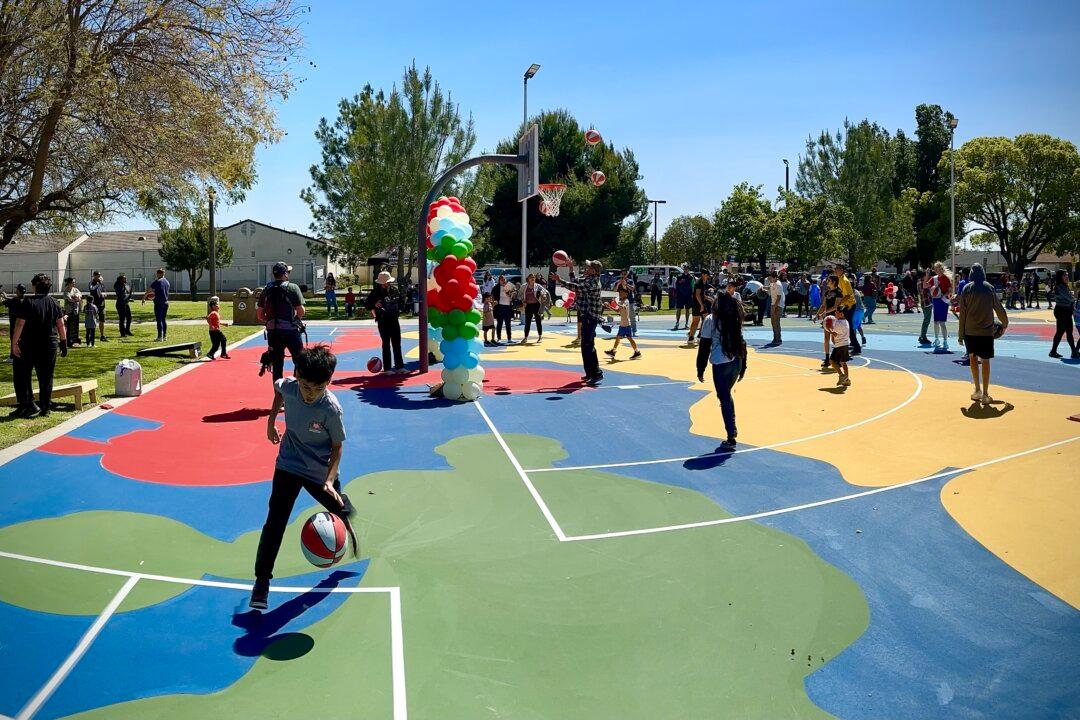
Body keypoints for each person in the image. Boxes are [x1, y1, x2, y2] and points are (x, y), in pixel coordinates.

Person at [249, 344, 357, 610]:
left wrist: (330, 481)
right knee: (275, 522)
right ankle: (262, 581)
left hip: (320, 472)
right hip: (288, 463)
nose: (310, 394)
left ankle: (343, 504)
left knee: (340, 509)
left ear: (328, 383)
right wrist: (271, 420)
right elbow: (278, 390)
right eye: (306, 387)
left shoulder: (331, 409)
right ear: (297, 374)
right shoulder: (290, 386)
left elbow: (337, 447)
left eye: (318, 389)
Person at [695, 291, 748, 450]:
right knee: (727, 395)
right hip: (736, 361)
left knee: (724, 397)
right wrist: (744, 365)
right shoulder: (734, 318)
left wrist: (700, 367)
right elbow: (742, 342)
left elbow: (704, 346)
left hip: (720, 363)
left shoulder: (711, 320)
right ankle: (732, 428)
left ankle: (731, 435)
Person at [10, 274, 67, 418]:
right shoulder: (54, 302)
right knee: (46, 376)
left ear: (34, 286)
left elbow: (19, 324)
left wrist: (14, 343)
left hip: (28, 345)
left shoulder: (27, 302)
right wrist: (64, 342)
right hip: (49, 345)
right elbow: (60, 324)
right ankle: (45, 408)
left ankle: (27, 405)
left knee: (22, 375)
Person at [957, 264, 1009, 403]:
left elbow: (963, 314)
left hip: (970, 331)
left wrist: (961, 335)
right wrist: (1004, 323)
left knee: (973, 358)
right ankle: (986, 394)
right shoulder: (989, 288)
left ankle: (977, 389)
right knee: (985, 360)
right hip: (986, 331)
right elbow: (998, 308)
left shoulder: (967, 289)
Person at [552, 259, 604, 385]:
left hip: (591, 316)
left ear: (594, 270)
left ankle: (597, 373)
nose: (586, 268)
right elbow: (575, 281)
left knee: (588, 344)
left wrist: (559, 280)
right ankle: (590, 373)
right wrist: (570, 268)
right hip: (586, 315)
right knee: (585, 345)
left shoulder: (593, 282)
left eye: (589, 267)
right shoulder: (588, 279)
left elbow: (577, 287)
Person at [257, 262, 306, 382]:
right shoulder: (293, 287)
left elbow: (259, 314)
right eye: (288, 272)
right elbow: (301, 311)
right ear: (285, 274)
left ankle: (279, 396)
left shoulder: (266, 289)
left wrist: (269, 321)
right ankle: (297, 389)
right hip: (291, 331)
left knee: (277, 365)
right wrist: (294, 320)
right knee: (299, 361)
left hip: (273, 332)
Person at [365, 271, 405, 373]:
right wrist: (375, 304)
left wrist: (398, 305)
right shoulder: (375, 292)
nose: (385, 284)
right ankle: (387, 368)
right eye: (383, 283)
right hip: (383, 320)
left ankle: (400, 367)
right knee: (386, 344)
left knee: (397, 344)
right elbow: (367, 305)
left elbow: (401, 302)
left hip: (394, 319)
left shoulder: (394, 291)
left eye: (387, 282)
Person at [604, 286, 641, 360]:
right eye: (620, 293)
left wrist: (615, 302)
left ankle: (636, 352)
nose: (620, 294)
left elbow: (623, 307)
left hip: (626, 324)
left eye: (622, 293)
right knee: (619, 338)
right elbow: (617, 310)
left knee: (629, 338)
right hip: (623, 324)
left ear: (626, 294)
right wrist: (609, 306)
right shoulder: (621, 301)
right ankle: (613, 351)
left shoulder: (626, 301)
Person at [1048, 269, 1078, 359]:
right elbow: (1070, 299)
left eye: (1067, 275)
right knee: (1066, 332)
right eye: (1065, 275)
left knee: (1062, 332)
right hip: (1062, 311)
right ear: (1060, 277)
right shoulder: (1060, 287)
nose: (1067, 277)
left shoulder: (1064, 286)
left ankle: (1054, 351)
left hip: (1065, 311)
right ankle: (1073, 352)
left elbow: (1071, 298)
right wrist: (1075, 297)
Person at [834, 264, 861, 356]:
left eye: (837, 269)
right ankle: (852, 344)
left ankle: (857, 347)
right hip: (846, 305)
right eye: (835, 269)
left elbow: (848, 295)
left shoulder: (845, 280)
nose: (835, 271)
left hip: (850, 305)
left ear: (841, 270)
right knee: (846, 326)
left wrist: (840, 303)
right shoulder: (840, 280)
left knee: (848, 326)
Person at [817, 275, 840, 368]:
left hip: (835, 318)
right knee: (826, 338)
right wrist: (817, 315)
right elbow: (823, 305)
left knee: (834, 339)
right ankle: (827, 359)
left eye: (829, 280)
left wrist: (824, 313)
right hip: (827, 318)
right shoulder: (827, 292)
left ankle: (838, 358)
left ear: (834, 282)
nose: (827, 281)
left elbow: (835, 306)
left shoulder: (838, 292)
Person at [931, 262, 953, 352]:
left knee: (942, 323)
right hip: (936, 301)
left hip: (943, 301)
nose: (937, 270)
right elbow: (925, 285)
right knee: (936, 322)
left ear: (941, 269)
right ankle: (936, 339)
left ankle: (945, 341)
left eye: (938, 268)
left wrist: (944, 295)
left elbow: (950, 291)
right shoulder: (934, 278)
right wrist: (933, 288)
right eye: (935, 269)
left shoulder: (946, 279)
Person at [520, 273, 549, 343]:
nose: (532, 278)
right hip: (528, 305)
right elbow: (520, 294)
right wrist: (523, 300)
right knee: (527, 322)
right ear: (528, 279)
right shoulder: (524, 286)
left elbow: (544, 292)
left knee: (538, 321)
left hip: (537, 305)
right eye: (531, 277)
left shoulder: (538, 286)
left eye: (533, 277)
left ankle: (540, 337)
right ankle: (525, 337)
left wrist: (543, 296)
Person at [143, 268, 171, 342]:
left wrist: (144, 297)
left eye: (157, 274)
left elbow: (149, 290)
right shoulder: (167, 282)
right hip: (166, 302)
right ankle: (164, 336)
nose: (157, 275)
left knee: (159, 320)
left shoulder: (157, 281)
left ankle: (159, 337)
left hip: (159, 303)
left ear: (159, 274)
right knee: (163, 319)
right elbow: (161, 291)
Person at [3, 284, 26, 364]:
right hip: (23, 324)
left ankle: (12, 356)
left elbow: (3, 302)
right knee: (21, 340)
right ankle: (20, 355)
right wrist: (6, 297)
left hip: (14, 324)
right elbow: (12, 300)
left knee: (13, 340)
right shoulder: (25, 301)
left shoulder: (13, 301)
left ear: (18, 291)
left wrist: (3, 297)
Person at [687, 270, 710, 345]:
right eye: (707, 275)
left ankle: (691, 337)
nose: (708, 277)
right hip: (698, 304)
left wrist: (708, 298)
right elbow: (697, 294)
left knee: (698, 320)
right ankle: (698, 336)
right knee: (703, 320)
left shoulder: (702, 282)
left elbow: (701, 294)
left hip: (697, 304)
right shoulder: (699, 282)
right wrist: (702, 305)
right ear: (703, 274)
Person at [492, 274, 517, 344]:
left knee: (508, 324)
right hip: (500, 307)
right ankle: (499, 338)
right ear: (499, 280)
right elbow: (493, 296)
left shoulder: (508, 286)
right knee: (500, 323)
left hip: (508, 307)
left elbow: (514, 296)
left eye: (504, 279)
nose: (503, 281)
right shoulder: (496, 288)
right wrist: (494, 302)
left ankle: (509, 338)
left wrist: (513, 293)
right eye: (502, 280)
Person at [829, 314, 852, 387]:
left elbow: (834, 334)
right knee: (843, 362)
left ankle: (842, 375)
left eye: (837, 312)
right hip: (845, 343)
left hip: (839, 344)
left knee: (832, 361)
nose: (835, 314)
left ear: (841, 314)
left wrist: (829, 329)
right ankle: (847, 380)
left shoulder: (838, 323)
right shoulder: (846, 321)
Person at [613, 270, 637, 337]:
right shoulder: (618, 281)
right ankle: (623, 332)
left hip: (630, 301)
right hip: (622, 301)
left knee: (632, 317)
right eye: (622, 274)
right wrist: (618, 284)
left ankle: (634, 331)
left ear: (627, 274)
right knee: (623, 317)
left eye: (625, 274)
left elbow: (632, 289)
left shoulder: (630, 281)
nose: (623, 275)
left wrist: (626, 284)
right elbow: (614, 290)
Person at [87, 271, 108, 341]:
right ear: (94, 276)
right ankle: (90, 336)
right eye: (98, 276)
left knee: (102, 320)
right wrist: (99, 284)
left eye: (100, 275)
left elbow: (104, 290)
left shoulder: (101, 283)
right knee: (92, 320)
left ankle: (102, 335)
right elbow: (92, 289)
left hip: (101, 304)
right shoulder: (91, 283)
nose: (99, 277)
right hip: (94, 304)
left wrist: (104, 294)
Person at [62, 277, 81, 347]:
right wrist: (76, 299)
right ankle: (69, 341)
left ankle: (75, 341)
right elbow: (70, 299)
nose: (74, 283)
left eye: (74, 282)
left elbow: (79, 296)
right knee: (69, 327)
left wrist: (76, 297)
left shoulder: (76, 289)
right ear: (69, 283)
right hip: (69, 311)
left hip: (76, 311)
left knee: (75, 326)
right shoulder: (66, 291)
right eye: (73, 282)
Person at [673, 266, 693, 330]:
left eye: (687, 269)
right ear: (683, 270)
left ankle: (686, 323)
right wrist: (680, 282)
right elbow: (676, 285)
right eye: (685, 269)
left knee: (687, 309)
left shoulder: (691, 277)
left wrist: (692, 294)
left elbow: (693, 286)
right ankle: (677, 323)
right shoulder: (679, 277)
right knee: (678, 309)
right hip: (680, 295)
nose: (686, 270)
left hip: (688, 296)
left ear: (689, 270)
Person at [917, 269, 934, 346]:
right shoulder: (922, 282)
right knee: (926, 320)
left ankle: (922, 336)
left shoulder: (919, 281)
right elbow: (925, 287)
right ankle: (923, 336)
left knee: (926, 320)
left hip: (924, 303)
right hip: (926, 303)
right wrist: (927, 275)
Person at [767, 271, 784, 345]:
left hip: (778, 305)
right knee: (773, 322)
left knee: (776, 322)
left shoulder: (778, 284)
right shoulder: (772, 283)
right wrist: (762, 288)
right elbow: (769, 288)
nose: (768, 279)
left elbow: (779, 297)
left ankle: (778, 339)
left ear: (774, 277)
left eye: (770, 278)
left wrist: (774, 307)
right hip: (773, 304)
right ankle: (775, 338)